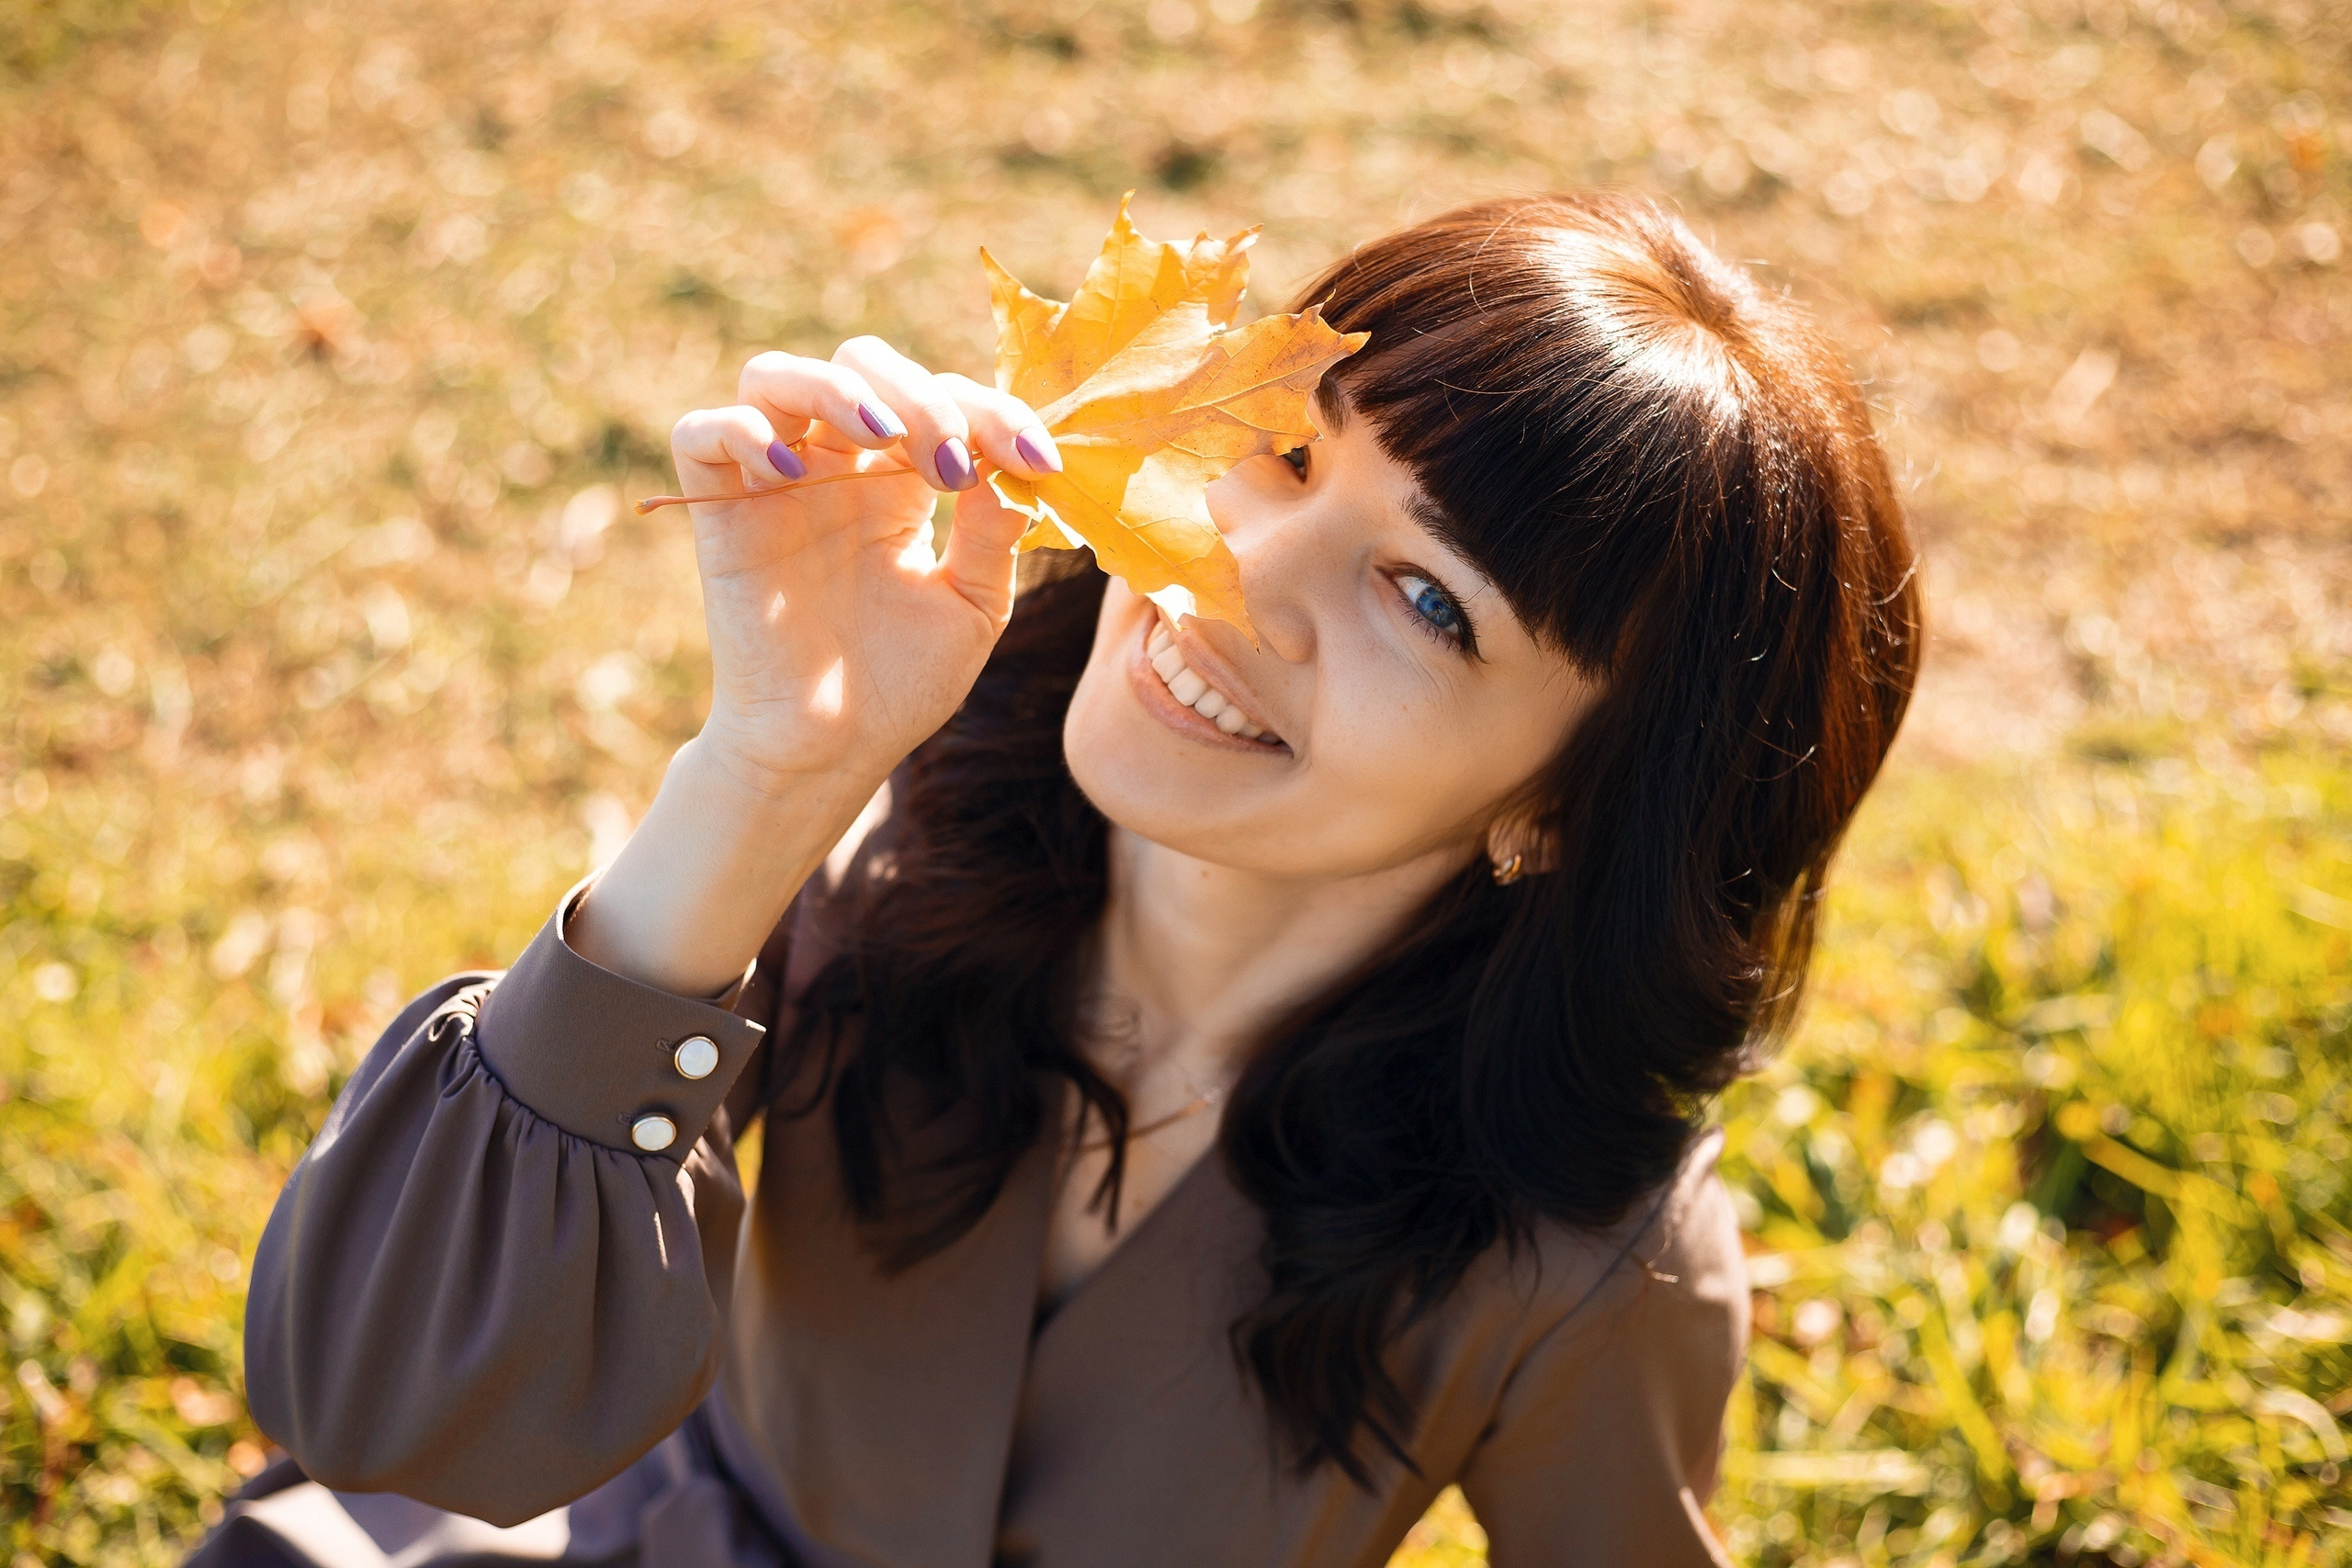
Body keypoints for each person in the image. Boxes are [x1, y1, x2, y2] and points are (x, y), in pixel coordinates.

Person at [191, 190, 1919, 1568]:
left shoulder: (1584, 1246)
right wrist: (769, 772)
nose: (1239, 575)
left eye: (1427, 601)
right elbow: (381, 1408)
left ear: (1567, 811)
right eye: (1287, 451)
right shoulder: (878, 854)